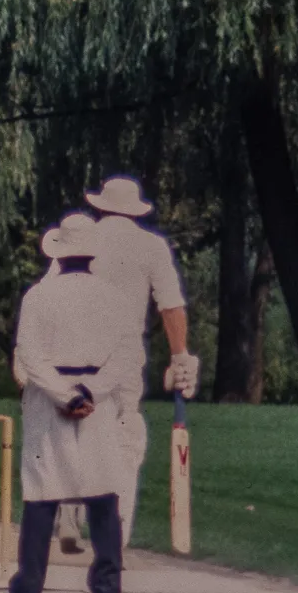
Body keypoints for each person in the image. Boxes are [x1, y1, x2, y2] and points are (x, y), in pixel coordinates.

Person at [6, 212, 129, 593]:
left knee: (44, 490)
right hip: (97, 397)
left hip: (50, 395)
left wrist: (65, 395)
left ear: (58, 255)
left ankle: (29, 587)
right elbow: (126, 354)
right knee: (102, 490)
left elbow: (29, 353)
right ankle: (107, 590)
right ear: (93, 255)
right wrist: (90, 390)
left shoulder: (39, 295)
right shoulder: (113, 295)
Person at [80, 175, 197, 548]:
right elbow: (171, 306)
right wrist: (180, 356)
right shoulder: (151, 246)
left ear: (101, 206)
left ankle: (73, 518)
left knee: (76, 428)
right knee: (125, 436)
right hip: (124, 353)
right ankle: (117, 533)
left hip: (76, 351)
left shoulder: (81, 238)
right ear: (135, 211)